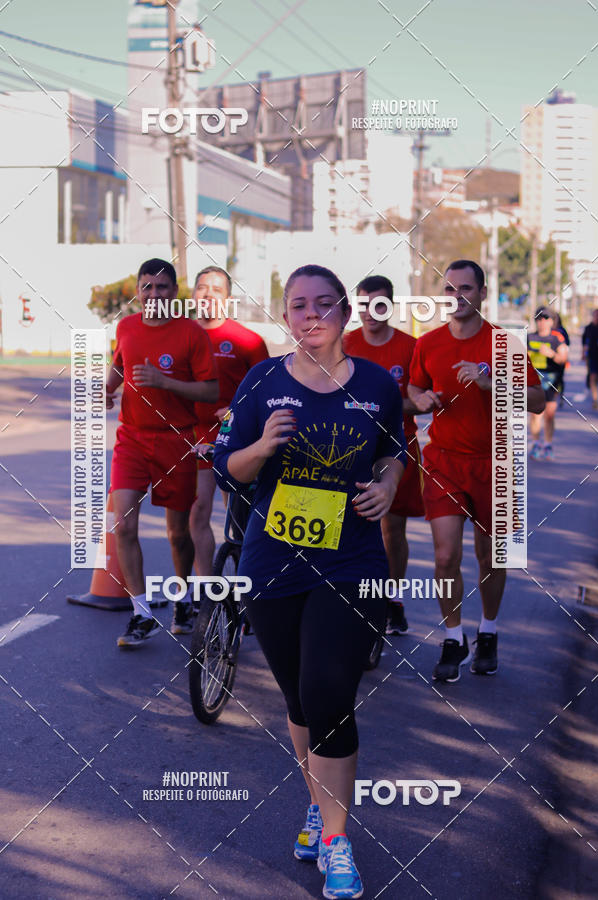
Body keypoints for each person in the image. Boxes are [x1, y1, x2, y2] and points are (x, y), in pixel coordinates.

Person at [213, 264, 406, 900]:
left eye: (324, 303)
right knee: (299, 701)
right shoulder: (262, 380)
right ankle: (320, 807)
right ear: (287, 315)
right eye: (298, 305)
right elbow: (230, 471)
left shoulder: (377, 384)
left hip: (351, 563)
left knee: (328, 694)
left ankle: (336, 840)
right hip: (273, 562)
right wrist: (263, 445)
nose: (311, 314)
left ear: (346, 312)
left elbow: (393, 452)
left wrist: (385, 488)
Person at [408, 259, 544, 683]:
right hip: (445, 460)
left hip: (499, 462)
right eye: (450, 289)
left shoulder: (504, 343)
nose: (457, 296)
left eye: (466, 288)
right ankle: (453, 637)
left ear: (483, 293)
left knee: (490, 555)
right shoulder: (428, 342)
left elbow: (539, 400)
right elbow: (412, 389)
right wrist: (422, 398)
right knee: (446, 555)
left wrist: (493, 385)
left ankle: (488, 630)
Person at [105, 259, 218, 648]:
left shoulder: (191, 333)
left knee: (177, 533)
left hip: (176, 440)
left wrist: (164, 382)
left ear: (174, 293)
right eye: (147, 287)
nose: (154, 295)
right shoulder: (126, 326)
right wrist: (107, 388)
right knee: (124, 525)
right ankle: (141, 614)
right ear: (138, 291)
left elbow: (210, 391)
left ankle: (183, 598)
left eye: (163, 287)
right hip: (132, 439)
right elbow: (120, 364)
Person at [174, 265, 269, 635]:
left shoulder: (246, 340)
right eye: (201, 288)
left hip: (238, 444)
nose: (207, 294)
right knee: (197, 516)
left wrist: (238, 411)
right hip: (194, 441)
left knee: (239, 526)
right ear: (193, 295)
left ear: (228, 297)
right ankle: (206, 599)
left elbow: (268, 394)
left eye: (216, 289)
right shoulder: (180, 336)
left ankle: (247, 596)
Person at [343, 274, 424, 635]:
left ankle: (393, 598)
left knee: (392, 529)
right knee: (348, 526)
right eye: (363, 304)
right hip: (349, 447)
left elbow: (421, 400)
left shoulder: (411, 346)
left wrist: (382, 403)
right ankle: (348, 596)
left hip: (396, 448)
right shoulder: (345, 343)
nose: (370, 312)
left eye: (378, 304)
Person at [527, 307, 568, 461]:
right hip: (534, 380)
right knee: (536, 414)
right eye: (538, 319)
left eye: (545, 318)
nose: (541, 322)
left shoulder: (556, 338)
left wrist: (551, 354)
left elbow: (563, 358)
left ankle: (548, 445)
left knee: (549, 415)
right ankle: (536, 443)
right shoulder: (529, 337)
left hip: (551, 380)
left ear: (551, 321)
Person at [550, 310, 570, 406]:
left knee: (560, 378)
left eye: (555, 319)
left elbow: (567, 344)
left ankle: (561, 396)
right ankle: (553, 396)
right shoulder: (548, 330)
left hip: (561, 358)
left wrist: (564, 356)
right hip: (549, 359)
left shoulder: (562, 330)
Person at [582, 308, 598, 410]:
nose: (597, 317)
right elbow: (584, 342)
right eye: (596, 315)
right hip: (592, 356)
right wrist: (583, 354)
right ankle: (595, 399)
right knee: (593, 377)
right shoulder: (588, 328)